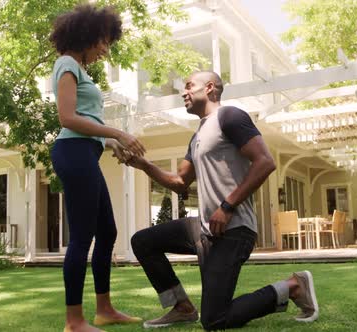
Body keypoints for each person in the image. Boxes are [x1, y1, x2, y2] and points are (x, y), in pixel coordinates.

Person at [127, 71, 319, 330]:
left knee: (215, 319)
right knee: (143, 241)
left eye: (188, 86)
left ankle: (293, 286)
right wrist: (144, 165)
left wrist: (228, 206)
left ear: (209, 88)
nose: (183, 92)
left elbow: (265, 162)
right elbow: (180, 182)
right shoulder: (197, 136)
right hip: (205, 229)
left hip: (234, 229)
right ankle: (181, 307)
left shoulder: (230, 116)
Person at [48, 5, 144, 332]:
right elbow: (68, 119)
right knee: (82, 237)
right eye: (103, 41)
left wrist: (109, 143)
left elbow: (87, 123)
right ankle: (74, 321)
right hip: (72, 152)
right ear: (86, 34)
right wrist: (118, 132)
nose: (106, 49)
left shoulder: (78, 68)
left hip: (85, 152)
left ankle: (104, 310)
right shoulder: (66, 63)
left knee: (107, 232)